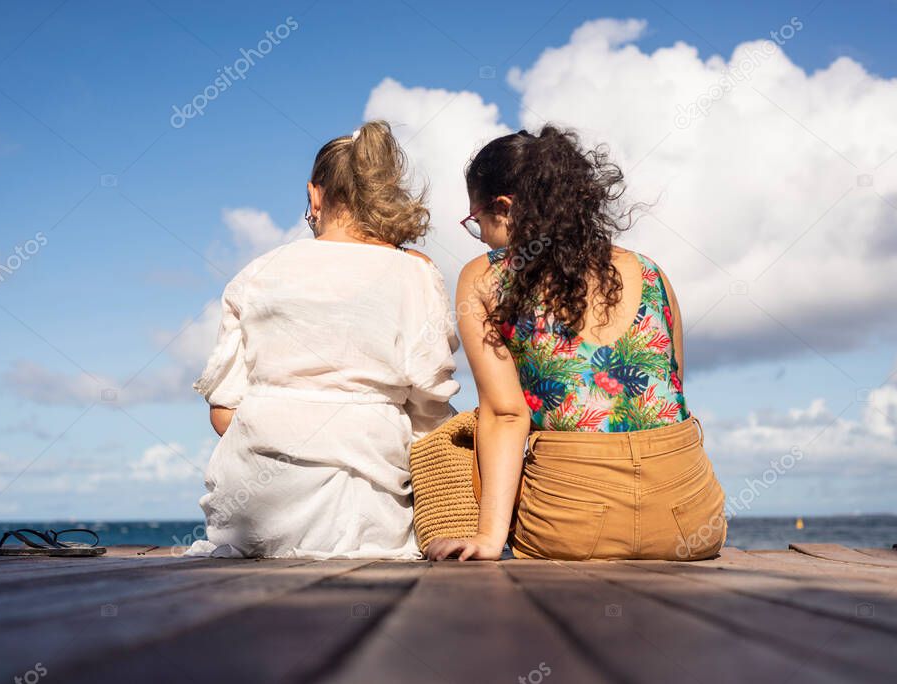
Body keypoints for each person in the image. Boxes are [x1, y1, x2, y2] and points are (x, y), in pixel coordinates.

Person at [426, 126, 726, 562]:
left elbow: (507, 415)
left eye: (478, 222)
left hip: (575, 522)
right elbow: (669, 394)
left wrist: (490, 538)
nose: (483, 237)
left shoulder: (487, 277)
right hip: (691, 519)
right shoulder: (650, 272)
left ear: (504, 208)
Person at [188, 121, 459, 559]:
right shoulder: (416, 273)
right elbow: (431, 407)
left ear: (315, 195)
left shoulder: (255, 273)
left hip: (253, 511)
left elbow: (224, 414)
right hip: (366, 506)